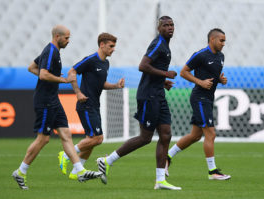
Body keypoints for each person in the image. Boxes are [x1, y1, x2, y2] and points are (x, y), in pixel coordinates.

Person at [12, 25, 102, 190]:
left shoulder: (53, 52)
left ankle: (79, 170)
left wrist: (53, 77)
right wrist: (63, 80)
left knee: (66, 135)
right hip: (45, 101)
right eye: (66, 38)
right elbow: (43, 74)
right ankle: (20, 171)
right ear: (57, 36)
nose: (69, 41)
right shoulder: (51, 51)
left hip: (54, 100)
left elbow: (32, 67)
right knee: (43, 139)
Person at [97, 16, 181, 190]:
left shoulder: (165, 45)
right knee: (145, 138)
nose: (170, 28)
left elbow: (152, 70)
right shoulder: (158, 43)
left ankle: (160, 181)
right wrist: (165, 75)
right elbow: (143, 66)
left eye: (172, 25)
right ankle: (107, 161)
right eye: (165, 25)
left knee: (166, 134)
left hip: (158, 94)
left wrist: (162, 82)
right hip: (149, 96)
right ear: (159, 29)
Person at [57, 33, 124, 182]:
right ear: (102, 45)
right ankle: (67, 155)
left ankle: (77, 171)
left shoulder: (106, 63)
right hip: (85, 105)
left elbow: (102, 84)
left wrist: (115, 86)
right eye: (111, 46)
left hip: (94, 105)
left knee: (91, 140)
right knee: (98, 139)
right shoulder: (90, 60)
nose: (113, 49)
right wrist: (78, 93)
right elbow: (71, 72)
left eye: (114, 46)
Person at [166, 28, 231, 180]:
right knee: (211, 133)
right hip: (199, 98)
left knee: (195, 136)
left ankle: (167, 156)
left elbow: (212, 76)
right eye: (221, 40)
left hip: (208, 98)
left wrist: (220, 80)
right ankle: (212, 172)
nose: (223, 43)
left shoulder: (221, 56)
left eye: (224, 41)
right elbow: (184, 72)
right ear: (212, 39)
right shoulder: (200, 55)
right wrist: (200, 82)